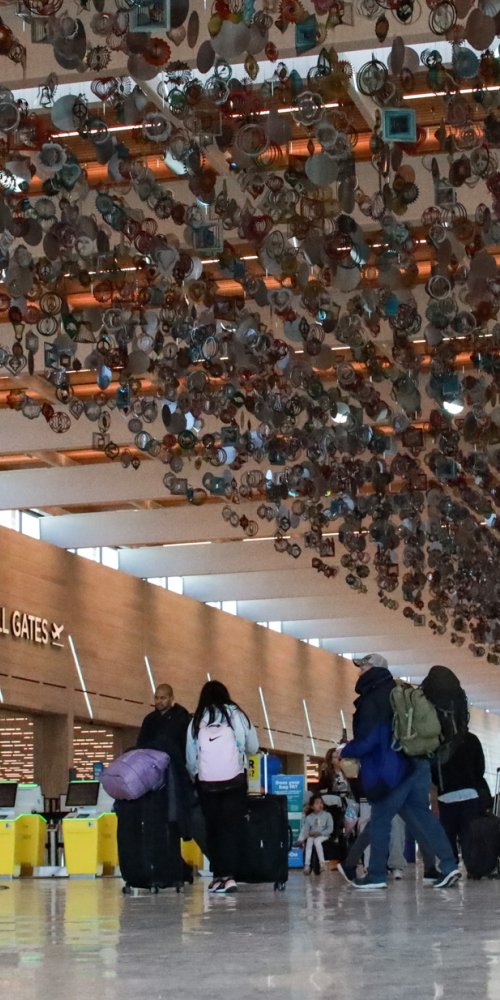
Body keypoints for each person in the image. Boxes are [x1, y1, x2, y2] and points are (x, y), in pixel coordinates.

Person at [340, 653, 460, 890]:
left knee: (382, 819)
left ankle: (375, 875)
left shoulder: (373, 697)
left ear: (371, 669)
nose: (359, 672)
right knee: (422, 815)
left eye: (362, 667)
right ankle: (448, 864)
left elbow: (370, 739)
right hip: (417, 762)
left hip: (393, 770)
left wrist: (345, 750)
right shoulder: (399, 690)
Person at [186, 680, 258, 895]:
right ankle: (229, 877)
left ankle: (219, 876)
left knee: (213, 828)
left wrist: (197, 776)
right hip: (234, 781)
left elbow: (191, 758)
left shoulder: (197, 719)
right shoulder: (237, 715)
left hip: (206, 784)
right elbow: (253, 747)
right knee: (231, 828)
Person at [431, 729, 489, 862]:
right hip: (470, 794)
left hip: (446, 796)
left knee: (448, 836)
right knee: (469, 836)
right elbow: (480, 768)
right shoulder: (472, 739)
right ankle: (473, 867)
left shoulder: (438, 742)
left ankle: (451, 867)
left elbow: (433, 771)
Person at [137, 683, 191, 760]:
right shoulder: (149, 719)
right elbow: (141, 744)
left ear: (171, 698)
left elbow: (185, 744)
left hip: (174, 764)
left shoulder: (181, 718)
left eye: (163, 698)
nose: (158, 701)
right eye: (156, 698)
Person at [299, 794, 334, 874]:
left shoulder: (327, 815)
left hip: (324, 835)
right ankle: (307, 865)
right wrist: (309, 834)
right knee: (309, 841)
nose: (320, 805)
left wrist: (320, 833)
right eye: (317, 803)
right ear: (312, 806)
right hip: (313, 835)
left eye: (321, 803)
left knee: (317, 841)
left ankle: (322, 864)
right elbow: (306, 830)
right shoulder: (309, 817)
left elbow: (330, 829)